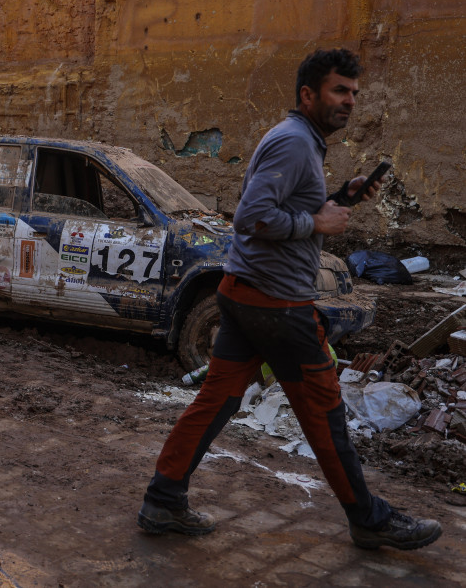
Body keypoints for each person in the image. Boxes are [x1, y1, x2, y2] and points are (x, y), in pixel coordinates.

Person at [137, 48, 442, 550]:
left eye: (354, 93)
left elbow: (288, 208)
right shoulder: (295, 144)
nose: (350, 102)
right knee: (324, 411)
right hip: (276, 306)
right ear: (308, 94)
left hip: (243, 293)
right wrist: (317, 222)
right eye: (339, 91)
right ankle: (368, 518)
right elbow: (251, 217)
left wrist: (342, 198)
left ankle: (163, 500)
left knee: (216, 401)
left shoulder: (300, 142)